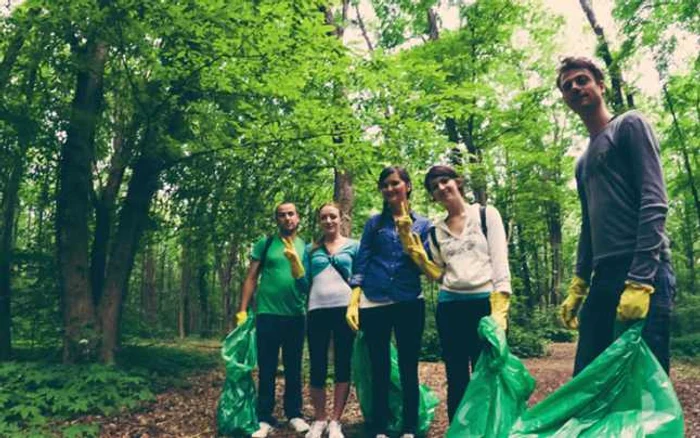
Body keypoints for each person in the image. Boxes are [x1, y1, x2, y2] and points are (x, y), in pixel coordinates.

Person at [556, 57, 675, 376]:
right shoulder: (581, 163)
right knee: (588, 376)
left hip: (645, 268)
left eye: (582, 80)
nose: (575, 88)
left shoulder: (629, 125)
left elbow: (655, 201)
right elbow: (588, 225)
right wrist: (579, 282)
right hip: (603, 275)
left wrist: (640, 280)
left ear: (600, 85)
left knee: (644, 382)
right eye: (567, 86)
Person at [345, 166, 432, 438]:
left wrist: (412, 244)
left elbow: (427, 266)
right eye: (385, 185)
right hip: (375, 299)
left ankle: (409, 427)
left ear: (407, 185)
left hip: (409, 300)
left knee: (408, 366)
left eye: (395, 183)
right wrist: (354, 296)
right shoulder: (374, 224)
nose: (390, 189)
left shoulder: (425, 224)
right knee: (379, 367)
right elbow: (363, 259)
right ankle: (379, 427)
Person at [421, 164, 512, 422]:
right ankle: (460, 429)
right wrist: (419, 259)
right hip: (450, 307)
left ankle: (492, 428)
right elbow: (439, 272)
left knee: (490, 372)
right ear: (432, 195)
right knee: (457, 376)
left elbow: (499, 260)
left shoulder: (485, 214)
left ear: (457, 182)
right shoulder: (434, 231)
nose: (441, 188)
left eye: (444, 181)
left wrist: (500, 307)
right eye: (434, 186)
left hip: (485, 304)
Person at [236, 202, 310, 437]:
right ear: (277, 220)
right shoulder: (265, 244)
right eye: (282, 215)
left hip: (296, 315)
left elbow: (307, 284)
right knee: (266, 367)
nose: (287, 218)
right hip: (267, 314)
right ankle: (264, 417)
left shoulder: (307, 248)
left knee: (293, 366)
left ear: (298, 218)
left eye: (291, 214)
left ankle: (294, 414)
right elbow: (251, 278)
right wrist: (242, 310)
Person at [299, 203, 359, 438]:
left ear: (340, 219)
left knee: (343, 363)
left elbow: (360, 277)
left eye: (332, 216)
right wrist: (296, 268)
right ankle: (320, 418)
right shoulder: (310, 250)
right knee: (317, 364)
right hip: (317, 310)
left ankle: (336, 420)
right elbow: (304, 284)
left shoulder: (354, 246)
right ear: (319, 221)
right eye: (324, 217)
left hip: (346, 310)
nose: (329, 221)